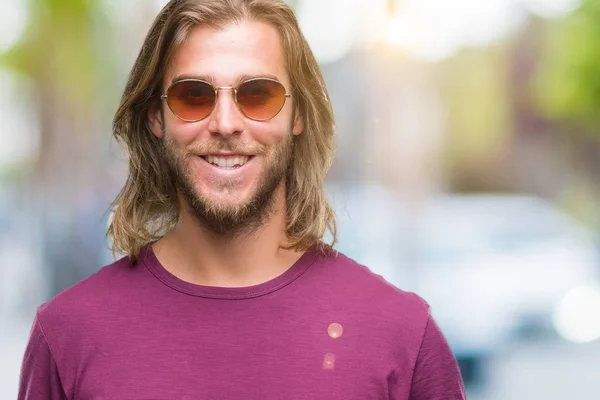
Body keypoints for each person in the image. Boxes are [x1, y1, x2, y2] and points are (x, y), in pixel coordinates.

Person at [18, 0, 466, 399]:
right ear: (156, 117)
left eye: (258, 94)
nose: (226, 123)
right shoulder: (68, 335)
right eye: (193, 96)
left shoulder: (403, 336)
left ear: (298, 116)